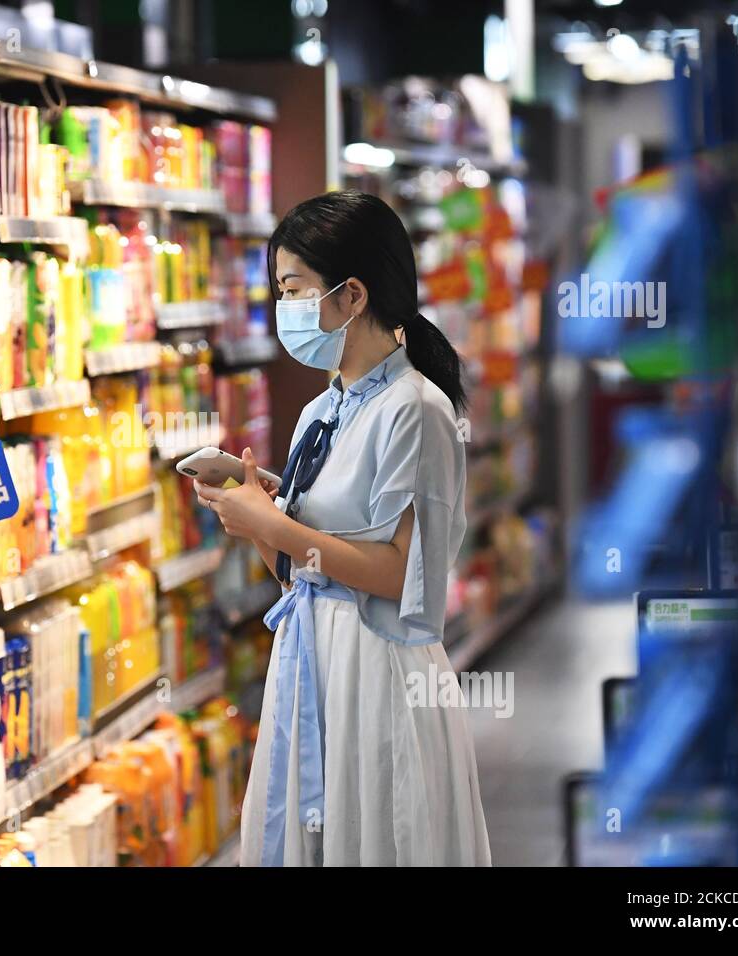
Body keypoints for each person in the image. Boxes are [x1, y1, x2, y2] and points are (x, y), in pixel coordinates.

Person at [196, 190, 491, 866]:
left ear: (351, 296)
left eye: (294, 288)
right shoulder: (321, 413)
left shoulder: (415, 410)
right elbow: (306, 568)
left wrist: (279, 525)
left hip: (379, 671)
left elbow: (401, 575)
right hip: (316, 662)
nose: (284, 308)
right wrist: (257, 520)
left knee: (379, 835)